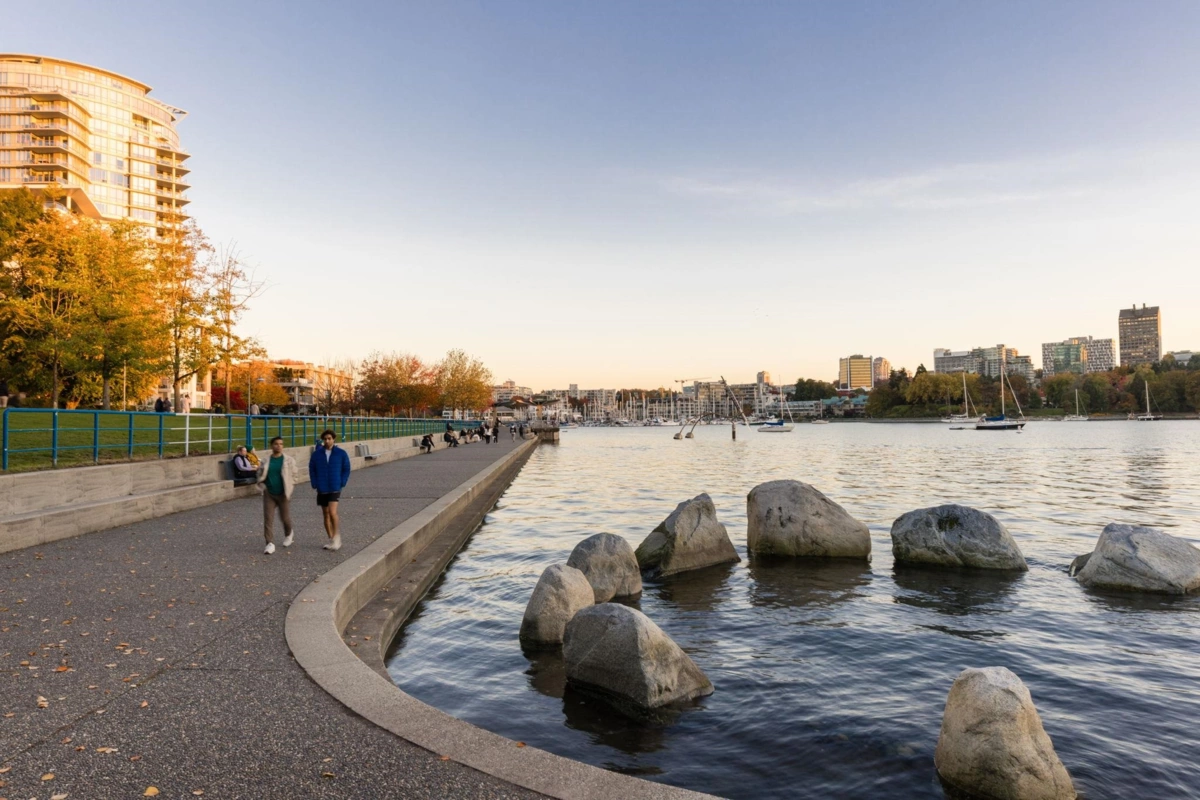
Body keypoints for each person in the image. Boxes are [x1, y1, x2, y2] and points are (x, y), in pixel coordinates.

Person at [308, 429, 350, 551]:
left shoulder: (341, 453)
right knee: (325, 514)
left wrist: (342, 481)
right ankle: (331, 538)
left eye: (329, 438)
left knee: (332, 512)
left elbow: (346, 468)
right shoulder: (317, 454)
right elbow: (312, 469)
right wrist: (314, 483)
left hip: (335, 486)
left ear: (333, 439)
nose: (327, 441)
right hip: (322, 487)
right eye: (325, 439)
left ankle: (337, 537)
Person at [257, 436, 297, 555]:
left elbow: (294, 475)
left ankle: (289, 533)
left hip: (283, 493)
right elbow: (259, 473)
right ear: (271, 446)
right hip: (269, 493)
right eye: (276, 444)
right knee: (268, 519)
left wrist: (291, 486)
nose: (278, 446)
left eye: (281, 444)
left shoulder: (288, 460)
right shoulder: (265, 460)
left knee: (285, 518)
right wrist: (263, 486)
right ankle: (269, 543)